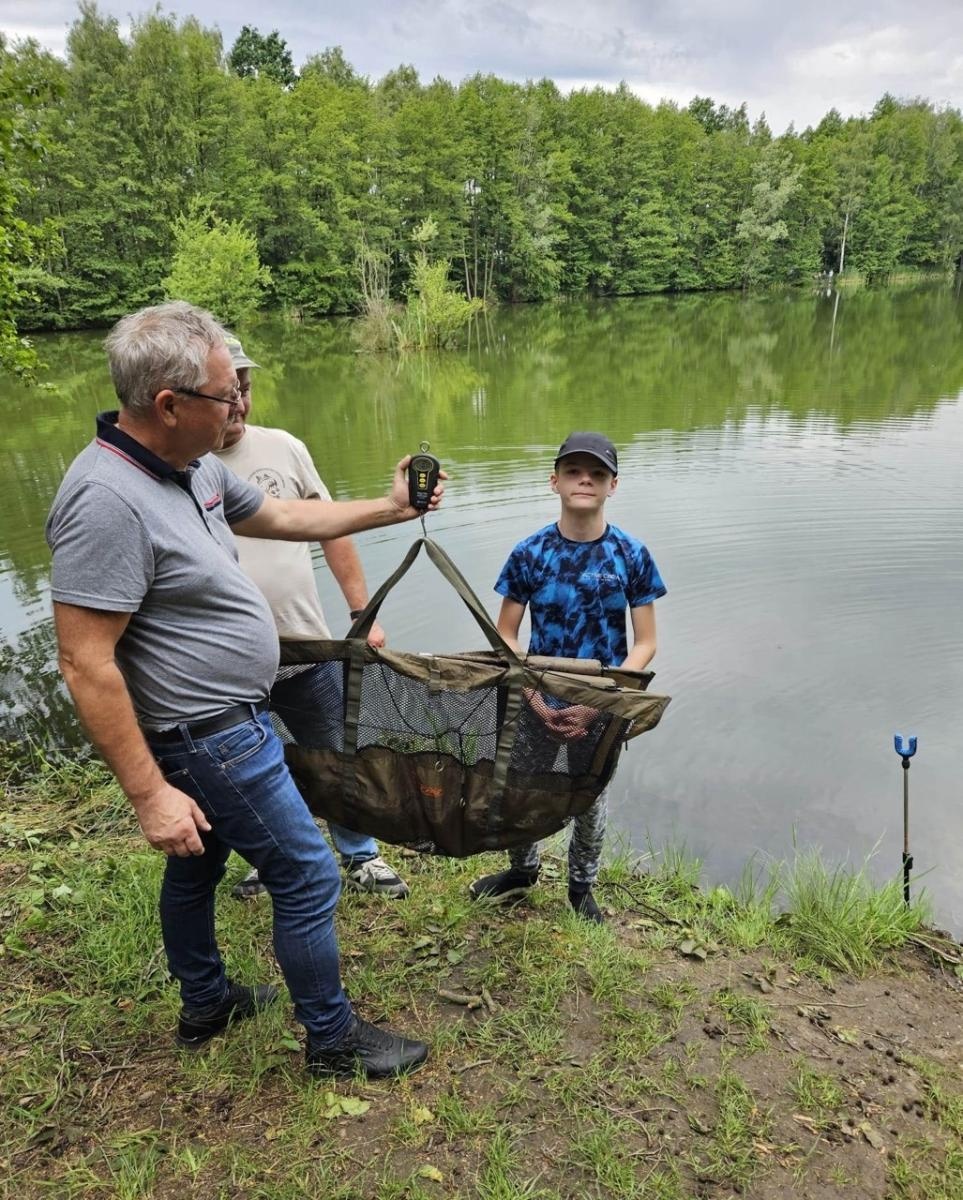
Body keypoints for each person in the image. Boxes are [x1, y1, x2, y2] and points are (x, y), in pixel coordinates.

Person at [45, 301, 442, 1079]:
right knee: (305, 872)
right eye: (226, 395)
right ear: (168, 404)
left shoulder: (190, 467)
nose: (239, 406)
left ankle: (207, 1002)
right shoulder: (105, 501)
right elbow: (84, 662)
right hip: (207, 738)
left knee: (197, 867)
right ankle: (331, 1043)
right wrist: (149, 796)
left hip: (230, 723)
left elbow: (287, 514)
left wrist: (394, 507)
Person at [215, 335, 409, 901]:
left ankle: (361, 855)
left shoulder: (283, 447)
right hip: (227, 664)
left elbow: (331, 527)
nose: (240, 404)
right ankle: (267, 857)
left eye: (244, 390)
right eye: (228, 393)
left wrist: (360, 611)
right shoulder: (180, 466)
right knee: (254, 765)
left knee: (334, 751)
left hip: (306, 646)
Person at [469, 432, 666, 924]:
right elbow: (507, 632)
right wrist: (532, 691)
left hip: (603, 702)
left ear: (612, 486)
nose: (585, 480)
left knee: (589, 799)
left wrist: (604, 701)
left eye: (597, 473)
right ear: (554, 480)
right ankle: (523, 871)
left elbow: (645, 642)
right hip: (537, 695)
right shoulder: (529, 553)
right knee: (522, 786)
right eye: (574, 471)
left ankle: (581, 888)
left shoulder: (632, 554)